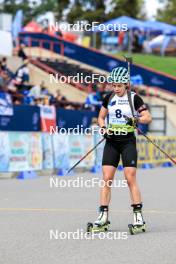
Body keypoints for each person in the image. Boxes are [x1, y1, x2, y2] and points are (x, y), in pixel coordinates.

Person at [93, 66, 152, 234]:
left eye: (119, 85)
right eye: (114, 85)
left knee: (130, 177)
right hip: (112, 142)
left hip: (127, 142)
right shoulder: (109, 97)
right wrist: (103, 128)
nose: (116, 88)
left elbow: (148, 117)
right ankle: (103, 217)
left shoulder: (134, 98)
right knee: (106, 178)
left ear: (126, 84)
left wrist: (137, 118)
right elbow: (101, 117)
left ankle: (138, 217)